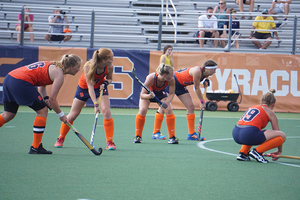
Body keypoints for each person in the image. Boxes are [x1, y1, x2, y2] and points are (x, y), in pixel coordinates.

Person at [0, 54, 82, 154]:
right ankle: (36, 146)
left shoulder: (53, 65)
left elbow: (42, 85)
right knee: (43, 111)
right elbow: (53, 99)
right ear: (71, 67)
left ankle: (36, 146)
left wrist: (45, 98)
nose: (79, 70)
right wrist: (61, 115)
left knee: (8, 114)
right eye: (78, 67)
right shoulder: (59, 74)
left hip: (10, 78)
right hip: (20, 81)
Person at [54, 48, 116, 150]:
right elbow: (90, 86)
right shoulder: (88, 66)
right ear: (103, 60)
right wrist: (96, 104)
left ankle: (110, 142)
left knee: (107, 112)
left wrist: (105, 83)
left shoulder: (109, 67)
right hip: (84, 88)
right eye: (111, 59)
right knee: (73, 115)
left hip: (100, 88)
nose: (112, 60)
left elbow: (109, 79)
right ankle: (60, 138)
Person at [152, 60, 218, 141]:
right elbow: (197, 88)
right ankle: (156, 132)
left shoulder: (205, 73)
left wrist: (206, 79)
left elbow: (204, 75)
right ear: (208, 69)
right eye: (214, 70)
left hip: (181, 86)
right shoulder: (197, 71)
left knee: (191, 106)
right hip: (173, 81)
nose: (215, 72)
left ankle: (191, 134)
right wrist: (202, 102)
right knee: (164, 106)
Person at [232, 89, 286, 163]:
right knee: (282, 135)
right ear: (273, 104)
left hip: (235, 133)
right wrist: (279, 151)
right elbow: (278, 132)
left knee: (253, 131)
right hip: (248, 133)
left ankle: (243, 153)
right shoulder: (271, 112)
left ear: (261, 102)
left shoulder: (253, 107)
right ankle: (257, 152)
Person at [134, 63, 178, 144]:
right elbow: (142, 95)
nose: (172, 76)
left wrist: (167, 102)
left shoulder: (171, 80)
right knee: (142, 110)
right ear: (164, 75)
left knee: (168, 109)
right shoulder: (151, 78)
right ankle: (138, 136)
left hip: (160, 93)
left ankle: (172, 137)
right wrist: (150, 96)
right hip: (148, 93)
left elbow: (171, 93)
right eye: (171, 75)